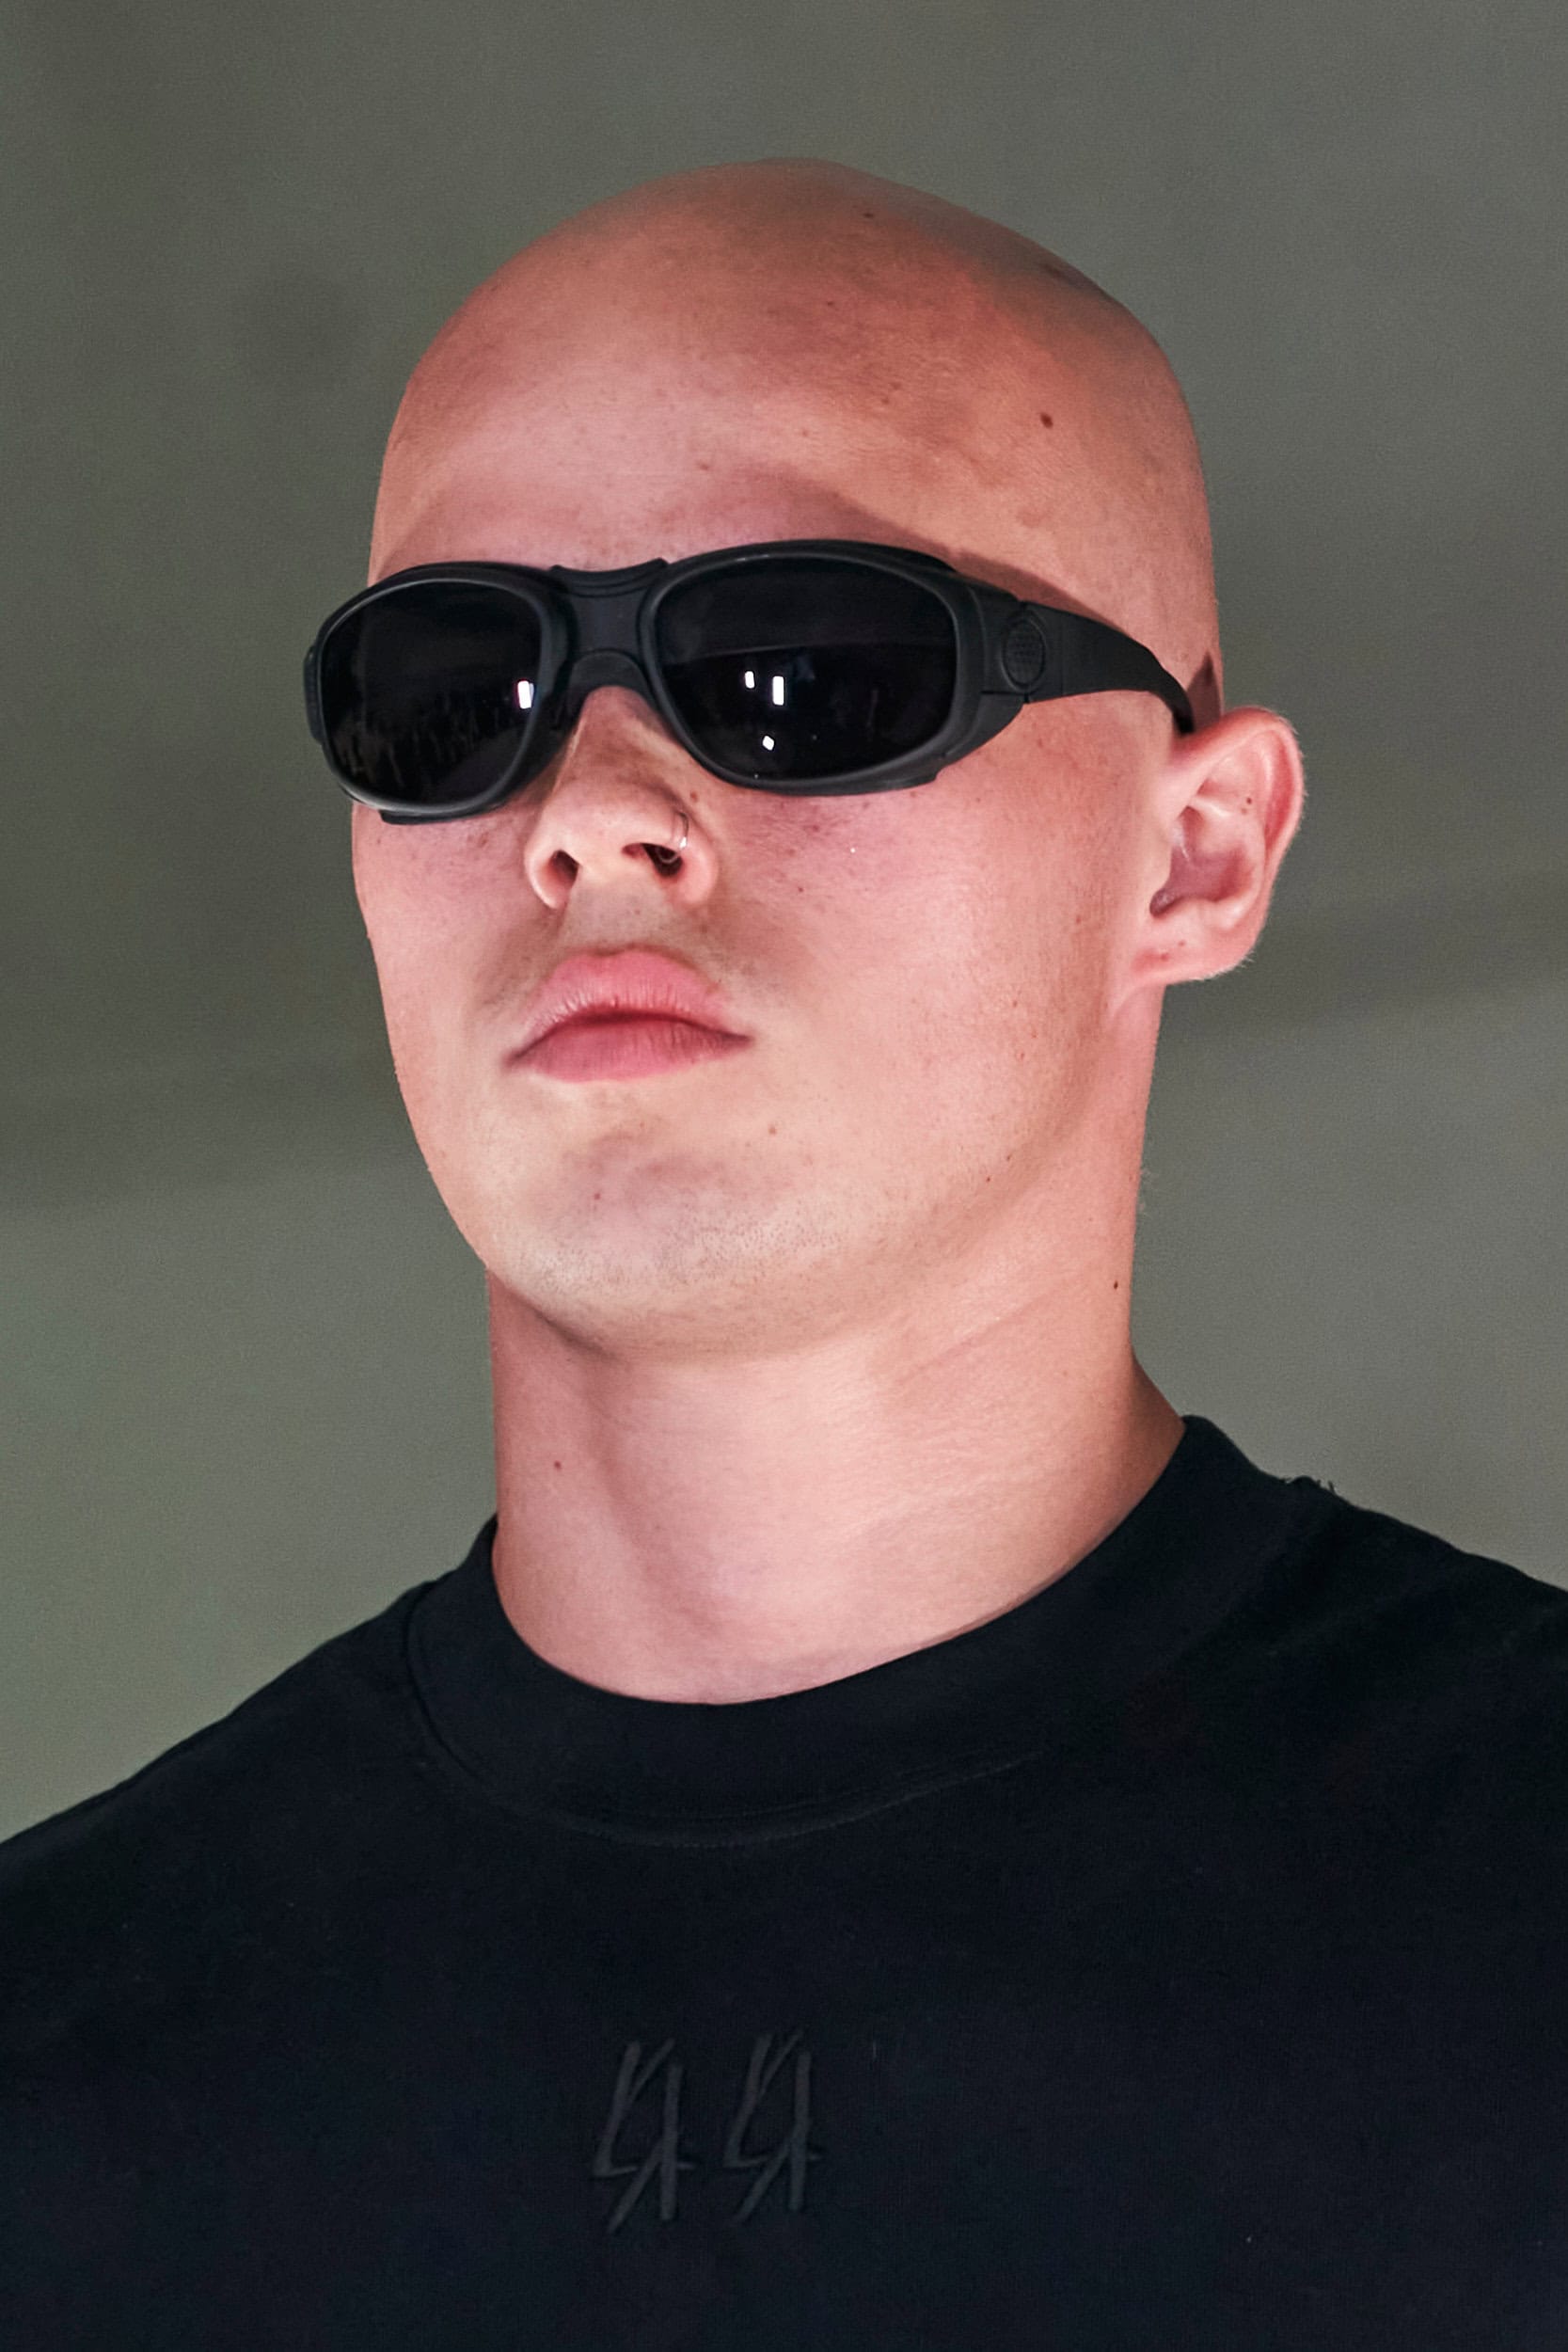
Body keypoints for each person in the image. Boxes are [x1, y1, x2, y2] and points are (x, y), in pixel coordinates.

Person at [2, 157, 1563, 2348]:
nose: (587, 808)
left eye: (806, 666)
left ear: (1193, 852)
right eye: (454, 692)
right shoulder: (53, 2072)